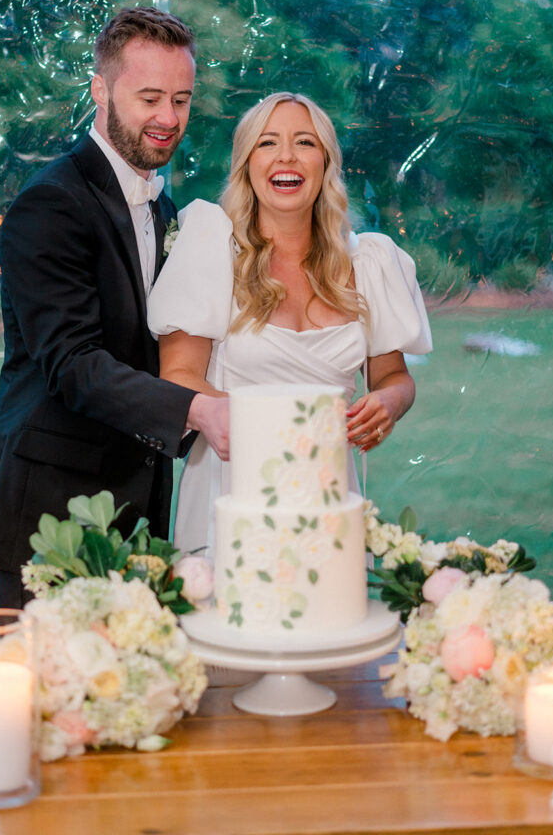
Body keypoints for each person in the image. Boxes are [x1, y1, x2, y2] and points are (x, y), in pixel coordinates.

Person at [0, 6, 228, 607]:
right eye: (150, 98)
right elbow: (72, 363)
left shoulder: (163, 209)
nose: (168, 118)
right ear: (101, 92)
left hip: (137, 513)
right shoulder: (50, 204)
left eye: (182, 100)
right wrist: (199, 410)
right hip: (51, 514)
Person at [147, 91, 432, 554]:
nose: (286, 156)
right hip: (231, 482)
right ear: (246, 164)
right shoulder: (210, 246)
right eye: (267, 143)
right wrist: (289, 427)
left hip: (328, 488)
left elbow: (393, 377)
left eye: (304, 142)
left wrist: (388, 403)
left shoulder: (369, 263)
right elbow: (177, 377)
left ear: (325, 162)